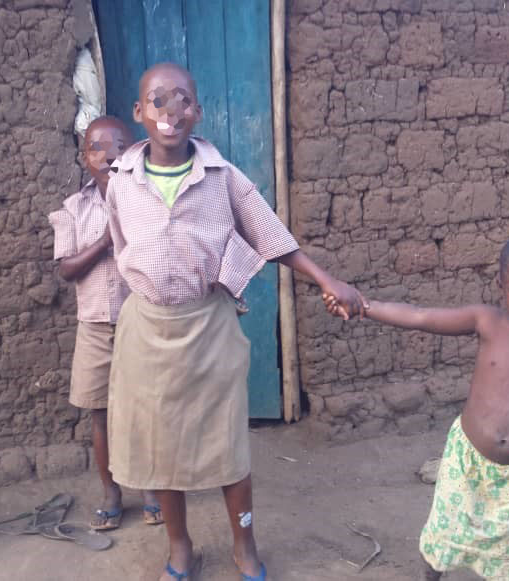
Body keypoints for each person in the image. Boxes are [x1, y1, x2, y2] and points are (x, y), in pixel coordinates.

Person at [104, 62, 364, 581]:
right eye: (157, 99)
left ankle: (244, 545)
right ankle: (180, 548)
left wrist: (325, 278)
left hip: (209, 326)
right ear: (138, 112)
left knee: (227, 443)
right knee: (161, 449)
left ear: (197, 111)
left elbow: (270, 234)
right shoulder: (122, 182)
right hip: (147, 330)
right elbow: (120, 246)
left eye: (182, 99)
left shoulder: (221, 177)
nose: (170, 110)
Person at [325, 232, 509, 581]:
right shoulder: (487, 322)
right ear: (501, 285)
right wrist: (365, 306)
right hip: (467, 460)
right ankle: (433, 574)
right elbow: (421, 317)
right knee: (446, 530)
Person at [48, 116, 162, 531]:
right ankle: (111, 493)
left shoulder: (148, 201)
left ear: (133, 155)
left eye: (119, 147)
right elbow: (67, 269)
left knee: (145, 411)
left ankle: (151, 490)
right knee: (100, 414)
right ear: (84, 157)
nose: (109, 156)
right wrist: (105, 241)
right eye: (97, 147)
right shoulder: (73, 210)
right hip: (95, 326)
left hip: (141, 323)